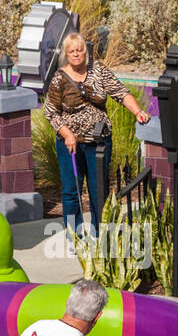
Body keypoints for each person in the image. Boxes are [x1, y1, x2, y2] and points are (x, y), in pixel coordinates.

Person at [44, 33, 150, 238]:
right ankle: (73, 233)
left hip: (99, 142)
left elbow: (121, 92)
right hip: (70, 144)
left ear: (86, 51)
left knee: (97, 188)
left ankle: (98, 230)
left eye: (79, 49)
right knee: (71, 189)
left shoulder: (98, 70)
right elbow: (51, 112)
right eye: (72, 51)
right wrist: (67, 134)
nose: (76, 54)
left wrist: (138, 112)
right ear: (66, 54)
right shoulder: (59, 78)